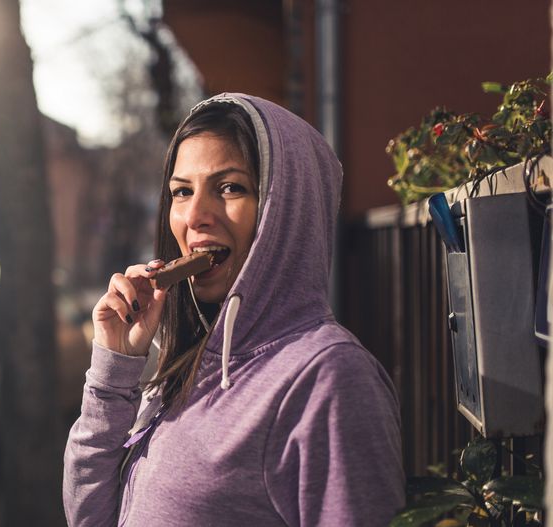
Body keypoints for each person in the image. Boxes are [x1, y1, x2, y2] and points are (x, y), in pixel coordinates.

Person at [63, 93, 404, 526]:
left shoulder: (329, 379)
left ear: (284, 210)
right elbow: (89, 518)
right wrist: (115, 369)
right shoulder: (189, 364)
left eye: (230, 188)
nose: (195, 216)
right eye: (182, 192)